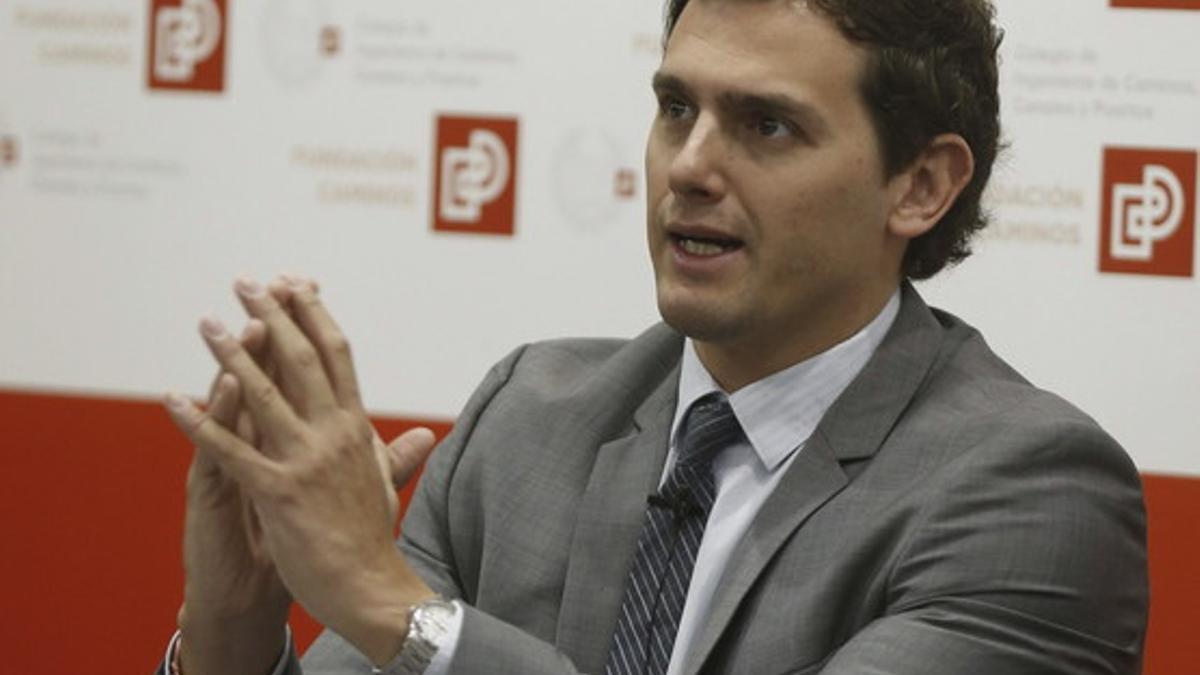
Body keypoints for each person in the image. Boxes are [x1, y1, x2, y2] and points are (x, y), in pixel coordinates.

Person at [159, 0, 1149, 673]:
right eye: (677, 108)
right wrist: (235, 630)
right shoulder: (527, 421)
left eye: (766, 126)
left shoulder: (1031, 493)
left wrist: (394, 609)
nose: (691, 165)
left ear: (921, 184)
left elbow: (407, 631)